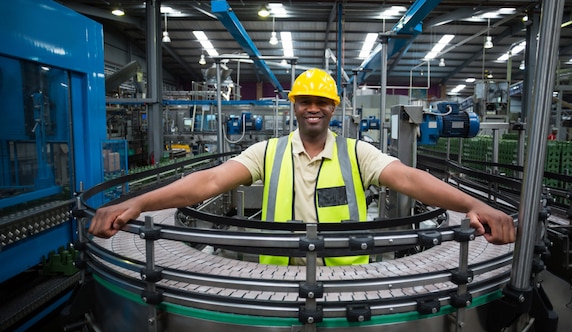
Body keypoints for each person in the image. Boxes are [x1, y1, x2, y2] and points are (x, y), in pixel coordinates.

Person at [89, 68, 516, 265]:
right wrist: (137, 203)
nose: (313, 108)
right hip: (276, 280)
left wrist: (473, 206)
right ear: (293, 105)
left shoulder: (357, 153)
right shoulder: (267, 152)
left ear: (334, 107)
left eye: (322, 102)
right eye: (305, 101)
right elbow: (208, 181)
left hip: (347, 281)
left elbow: (410, 178)